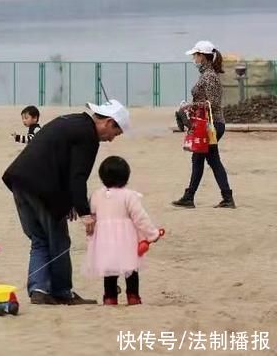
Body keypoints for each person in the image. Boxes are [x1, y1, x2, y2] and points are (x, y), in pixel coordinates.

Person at [2, 99, 129, 305]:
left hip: (19, 179)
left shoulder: (73, 121)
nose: (112, 139)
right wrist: (85, 213)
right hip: (41, 186)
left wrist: (70, 202)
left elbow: (61, 164)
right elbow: (77, 177)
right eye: (115, 133)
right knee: (59, 240)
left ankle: (39, 290)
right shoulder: (88, 136)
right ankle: (62, 292)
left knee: (40, 238)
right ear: (108, 122)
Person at [83, 156, 162, 306]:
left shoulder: (96, 196)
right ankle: (133, 296)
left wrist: (91, 238)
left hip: (105, 240)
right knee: (131, 268)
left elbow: (91, 218)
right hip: (126, 239)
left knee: (109, 271)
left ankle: (110, 297)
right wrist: (153, 234)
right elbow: (140, 217)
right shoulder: (129, 195)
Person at [172, 40, 235, 209]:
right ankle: (221, 197)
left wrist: (189, 106)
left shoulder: (209, 76)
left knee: (204, 159)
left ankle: (192, 197)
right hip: (209, 125)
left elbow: (212, 103)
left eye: (196, 55)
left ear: (202, 56)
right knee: (207, 160)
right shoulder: (208, 74)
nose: (194, 58)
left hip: (210, 125)